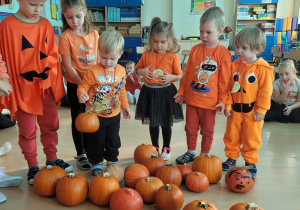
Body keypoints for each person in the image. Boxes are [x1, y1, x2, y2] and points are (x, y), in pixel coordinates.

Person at [0, 0, 73, 185]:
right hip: (22, 88)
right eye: (33, 4)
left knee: (50, 124)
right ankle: (32, 165)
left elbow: (52, 54)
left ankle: (51, 158)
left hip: (45, 85)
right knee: (27, 129)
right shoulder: (6, 26)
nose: (38, 10)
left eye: (41, 5)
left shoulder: (45, 24)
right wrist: (2, 77)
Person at [174, 7, 231, 164]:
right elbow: (188, 74)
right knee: (190, 129)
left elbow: (224, 81)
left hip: (210, 103)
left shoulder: (224, 54)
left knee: (207, 131)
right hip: (192, 100)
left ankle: (204, 155)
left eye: (208, 32)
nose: (203, 36)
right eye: (201, 31)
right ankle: (191, 152)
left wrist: (223, 100)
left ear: (220, 31)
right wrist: (181, 91)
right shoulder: (195, 50)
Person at [77, 30, 131, 177]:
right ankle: (96, 162)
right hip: (96, 115)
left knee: (113, 139)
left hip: (114, 114)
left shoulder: (121, 71)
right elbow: (83, 86)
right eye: (104, 57)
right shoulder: (93, 71)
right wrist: (81, 93)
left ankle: (111, 160)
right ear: (99, 52)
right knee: (96, 140)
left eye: (112, 58)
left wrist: (125, 107)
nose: (107, 62)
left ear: (120, 54)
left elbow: (122, 90)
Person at [222, 27, 274, 176]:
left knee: (251, 137)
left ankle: (250, 161)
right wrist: (228, 104)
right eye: (237, 47)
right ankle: (231, 157)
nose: (239, 51)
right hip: (235, 110)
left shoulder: (263, 69)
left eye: (244, 48)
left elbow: (266, 91)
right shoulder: (234, 66)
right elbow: (228, 87)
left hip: (253, 112)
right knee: (232, 134)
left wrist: (262, 110)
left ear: (258, 49)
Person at [135, 17, 184, 161]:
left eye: (163, 42)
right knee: (153, 122)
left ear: (170, 41)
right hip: (149, 91)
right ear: (151, 40)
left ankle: (166, 147)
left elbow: (179, 75)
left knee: (166, 122)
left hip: (166, 92)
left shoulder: (173, 56)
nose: (159, 45)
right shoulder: (146, 54)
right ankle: (154, 147)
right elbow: (137, 69)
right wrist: (142, 72)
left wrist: (171, 78)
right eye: (155, 41)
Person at [59, 0, 99, 170]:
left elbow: (98, 60)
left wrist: (95, 82)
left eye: (78, 16)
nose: (74, 21)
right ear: (64, 17)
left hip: (94, 84)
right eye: (69, 17)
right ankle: (81, 153)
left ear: (85, 12)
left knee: (92, 116)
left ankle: (92, 150)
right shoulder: (65, 37)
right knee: (78, 118)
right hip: (75, 84)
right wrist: (82, 85)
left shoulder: (94, 33)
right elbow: (67, 66)